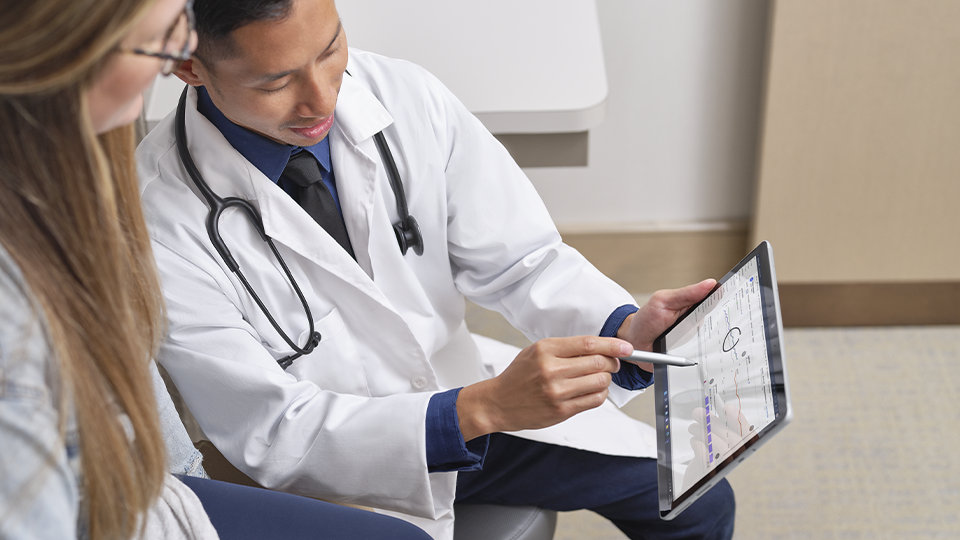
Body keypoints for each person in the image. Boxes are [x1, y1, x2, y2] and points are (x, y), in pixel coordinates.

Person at [135, 0, 736, 538]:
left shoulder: (403, 95)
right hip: (345, 476)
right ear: (189, 66)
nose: (322, 98)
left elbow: (522, 259)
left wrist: (626, 332)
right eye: (276, 82)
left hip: (471, 392)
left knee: (697, 501)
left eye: (329, 49)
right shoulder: (157, 222)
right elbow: (274, 430)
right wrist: (482, 409)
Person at [0, 0, 431, 538]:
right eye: (159, 41)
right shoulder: (25, 305)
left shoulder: (72, 167)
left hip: (149, 484)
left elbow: (155, 449)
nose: (179, 50)